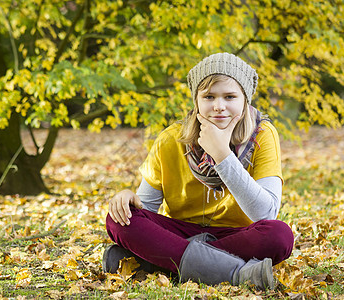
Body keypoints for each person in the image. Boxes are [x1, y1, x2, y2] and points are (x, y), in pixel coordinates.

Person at [103, 52, 294, 289]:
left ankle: (158, 264)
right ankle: (238, 273)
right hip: (178, 232)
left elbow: (265, 214)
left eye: (230, 96)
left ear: (245, 100)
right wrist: (126, 198)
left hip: (237, 235)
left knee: (279, 235)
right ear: (196, 101)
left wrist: (222, 154)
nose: (219, 106)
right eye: (209, 96)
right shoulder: (171, 139)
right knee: (118, 219)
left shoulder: (263, 136)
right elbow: (146, 209)